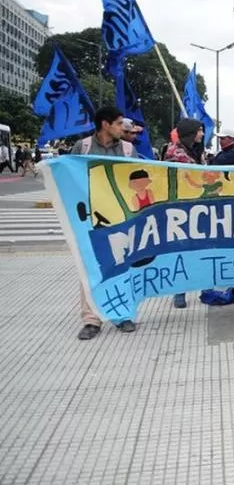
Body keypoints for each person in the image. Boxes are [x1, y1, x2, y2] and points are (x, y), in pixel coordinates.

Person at [73, 106, 138, 340]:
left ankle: (122, 314)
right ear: (105, 124)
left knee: (122, 266)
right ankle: (91, 320)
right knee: (91, 268)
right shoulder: (83, 147)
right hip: (90, 220)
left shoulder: (128, 150)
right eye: (119, 123)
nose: (124, 128)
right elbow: (69, 177)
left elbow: (137, 179)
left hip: (120, 218)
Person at [165, 118, 205, 309]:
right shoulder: (176, 153)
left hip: (196, 207)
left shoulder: (194, 151)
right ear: (190, 132)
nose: (202, 134)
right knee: (183, 251)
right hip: (181, 210)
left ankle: (205, 287)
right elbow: (194, 176)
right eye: (199, 130)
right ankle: (180, 292)